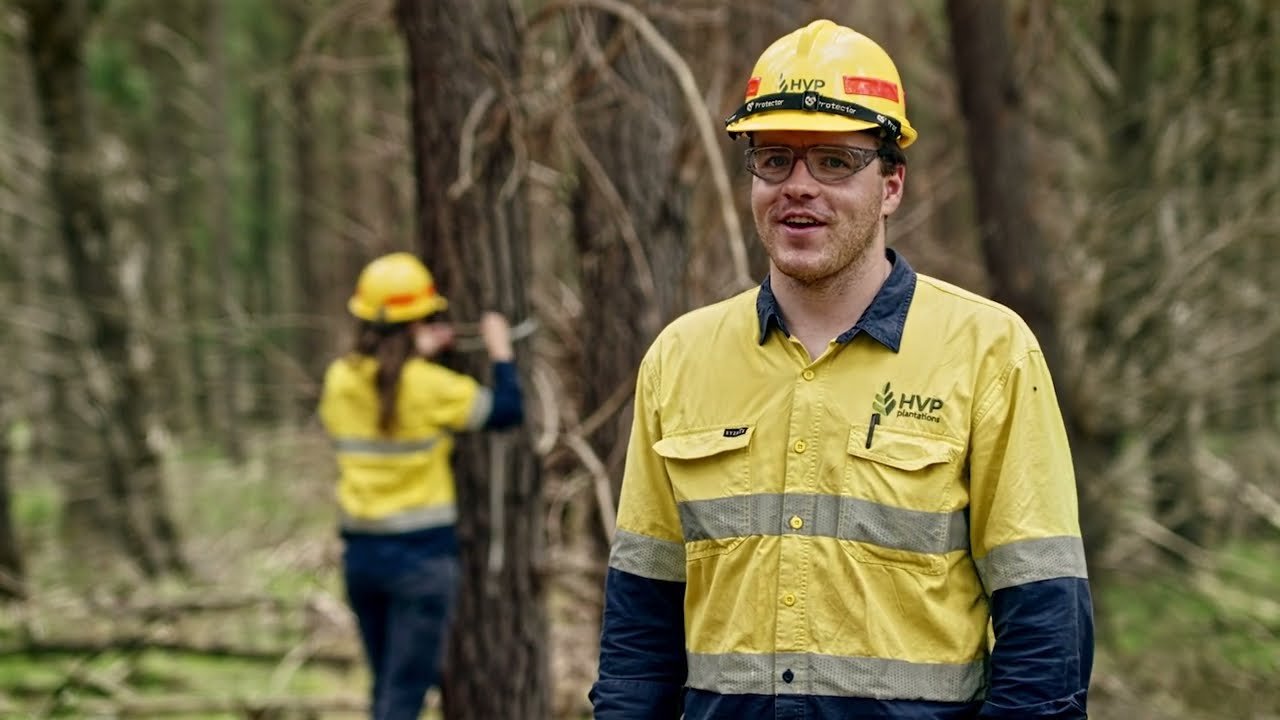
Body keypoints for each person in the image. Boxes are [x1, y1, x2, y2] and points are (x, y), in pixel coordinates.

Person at [590, 18, 1093, 720]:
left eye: (833, 162)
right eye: (775, 160)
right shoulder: (680, 358)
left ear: (890, 184)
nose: (799, 186)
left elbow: (1045, 629)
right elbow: (639, 632)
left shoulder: (989, 351)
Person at [318, 252, 523, 720]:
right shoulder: (431, 386)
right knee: (403, 696)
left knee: (387, 688)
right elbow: (507, 411)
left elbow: (378, 385)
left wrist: (415, 354)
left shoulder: (339, 379)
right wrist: (500, 351)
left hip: (362, 559)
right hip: (421, 562)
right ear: (421, 322)